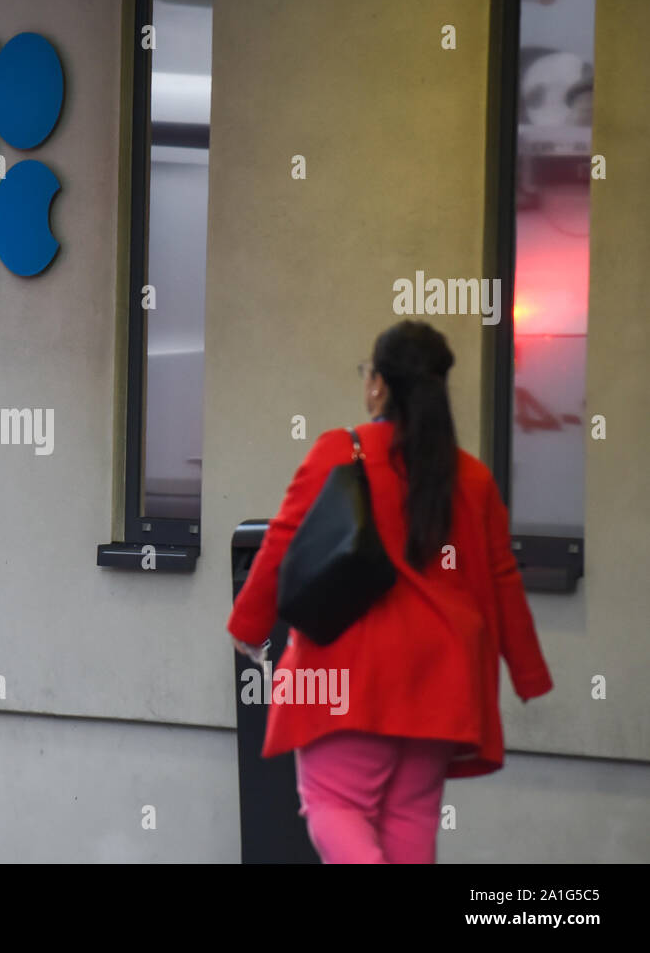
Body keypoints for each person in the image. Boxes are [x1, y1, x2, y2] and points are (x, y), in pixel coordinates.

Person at [226, 319, 552, 864]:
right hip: (443, 681)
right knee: (410, 821)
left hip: (351, 672)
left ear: (378, 384)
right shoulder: (470, 478)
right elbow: (502, 580)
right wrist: (528, 673)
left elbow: (282, 541)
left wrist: (248, 626)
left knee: (332, 804)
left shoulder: (343, 451)